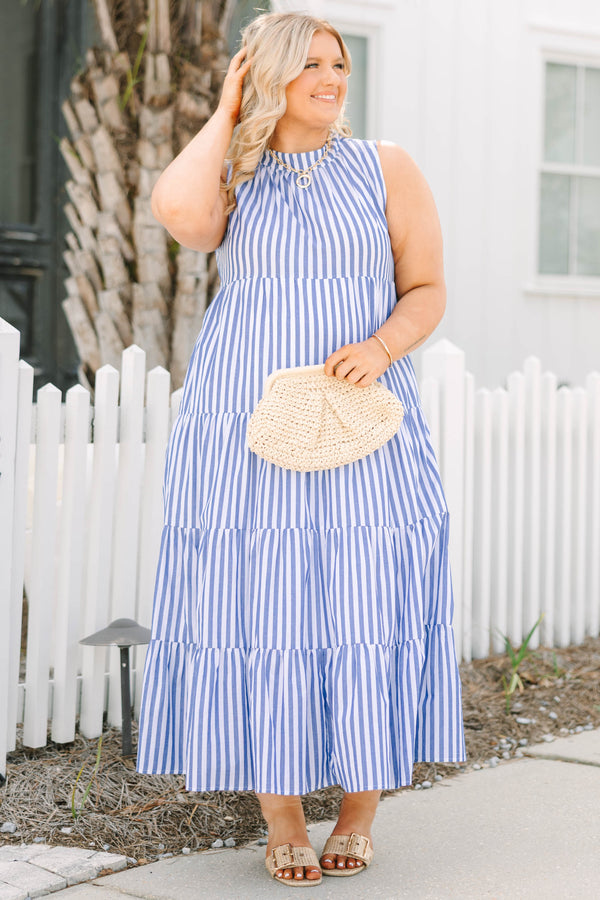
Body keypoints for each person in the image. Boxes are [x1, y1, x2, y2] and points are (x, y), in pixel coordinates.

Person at [136, 10, 466, 888]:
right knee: (256, 604)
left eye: (340, 64)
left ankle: (359, 809)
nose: (331, 79)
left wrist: (383, 347)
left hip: (363, 421)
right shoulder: (233, 178)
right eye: (311, 65)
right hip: (242, 426)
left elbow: (428, 286)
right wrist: (231, 100)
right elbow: (179, 214)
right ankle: (280, 815)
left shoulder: (385, 167)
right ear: (268, 76)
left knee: (369, 598)